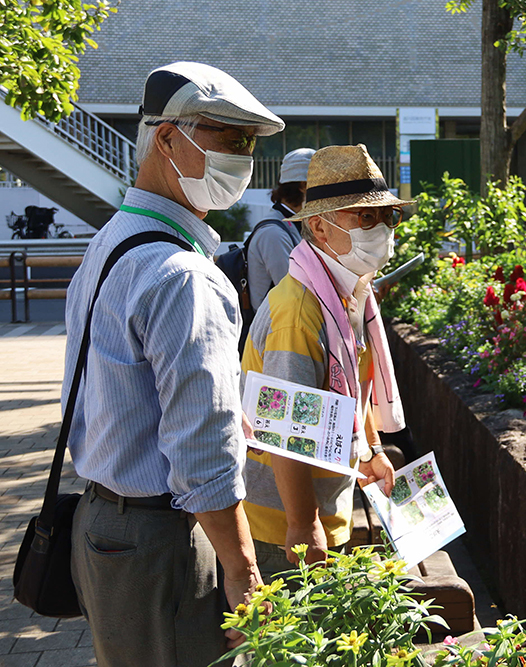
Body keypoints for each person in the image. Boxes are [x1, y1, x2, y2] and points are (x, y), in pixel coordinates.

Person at [64, 61, 284, 667]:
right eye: (228, 138)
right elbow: (202, 451)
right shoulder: (185, 277)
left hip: (103, 521)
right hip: (163, 539)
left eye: (249, 144)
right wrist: (242, 572)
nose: (242, 158)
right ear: (167, 138)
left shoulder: (112, 242)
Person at [241, 145, 406, 578]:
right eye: (365, 217)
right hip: (282, 525)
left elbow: (353, 385)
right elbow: (284, 430)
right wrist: (303, 524)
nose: (382, 230)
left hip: (322, 509)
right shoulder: (300, 312)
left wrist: (370, 449)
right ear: (318, 227)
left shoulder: (348, 296)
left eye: (388, 217)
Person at [246, 147, 314, 311]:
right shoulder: (273, 234)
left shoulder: (294, 224)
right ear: (304, 186)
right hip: (275, 333)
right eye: (322, 184)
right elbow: (296, 294)